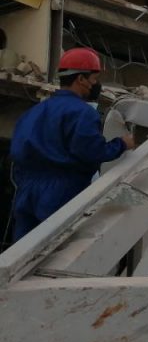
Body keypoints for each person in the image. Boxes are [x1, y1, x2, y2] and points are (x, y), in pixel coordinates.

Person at [11, 48, 135, 241]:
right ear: (81, 79)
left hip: (26, 190)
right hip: (60, 192)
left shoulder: (34, 111)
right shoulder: (82, 113)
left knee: (20, 257)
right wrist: (121, 144)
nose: (95, 84)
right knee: (57, 255)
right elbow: (91, 151)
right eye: (94, 78)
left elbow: (17, 150)